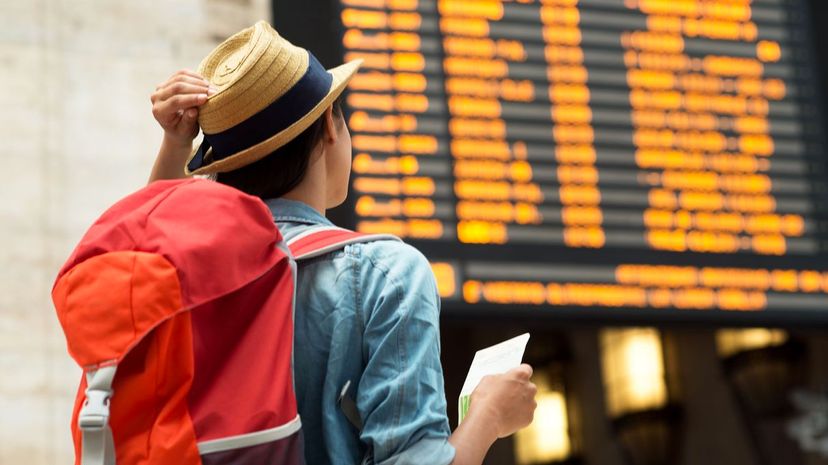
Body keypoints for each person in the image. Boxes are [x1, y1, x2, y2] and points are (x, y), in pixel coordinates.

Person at [148, 21, 536, 465]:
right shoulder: (384, 274)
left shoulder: (184, 275)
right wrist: (488, 413)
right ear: (329, 128)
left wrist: (175, 144)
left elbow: (150, 241)